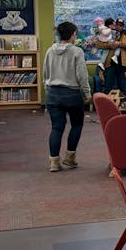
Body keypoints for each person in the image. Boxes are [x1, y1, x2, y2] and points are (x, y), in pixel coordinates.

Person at [44, 21, 92, 172]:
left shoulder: (49, 50)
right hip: (71, 94)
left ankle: (54, 162)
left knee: (56, 127)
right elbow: (82, 76)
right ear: (72, 35)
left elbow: (45, 73)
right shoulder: (77, 51)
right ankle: (70, 158)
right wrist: (87, 93)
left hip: (53, 93)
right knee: (76, 124)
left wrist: (48, 90)